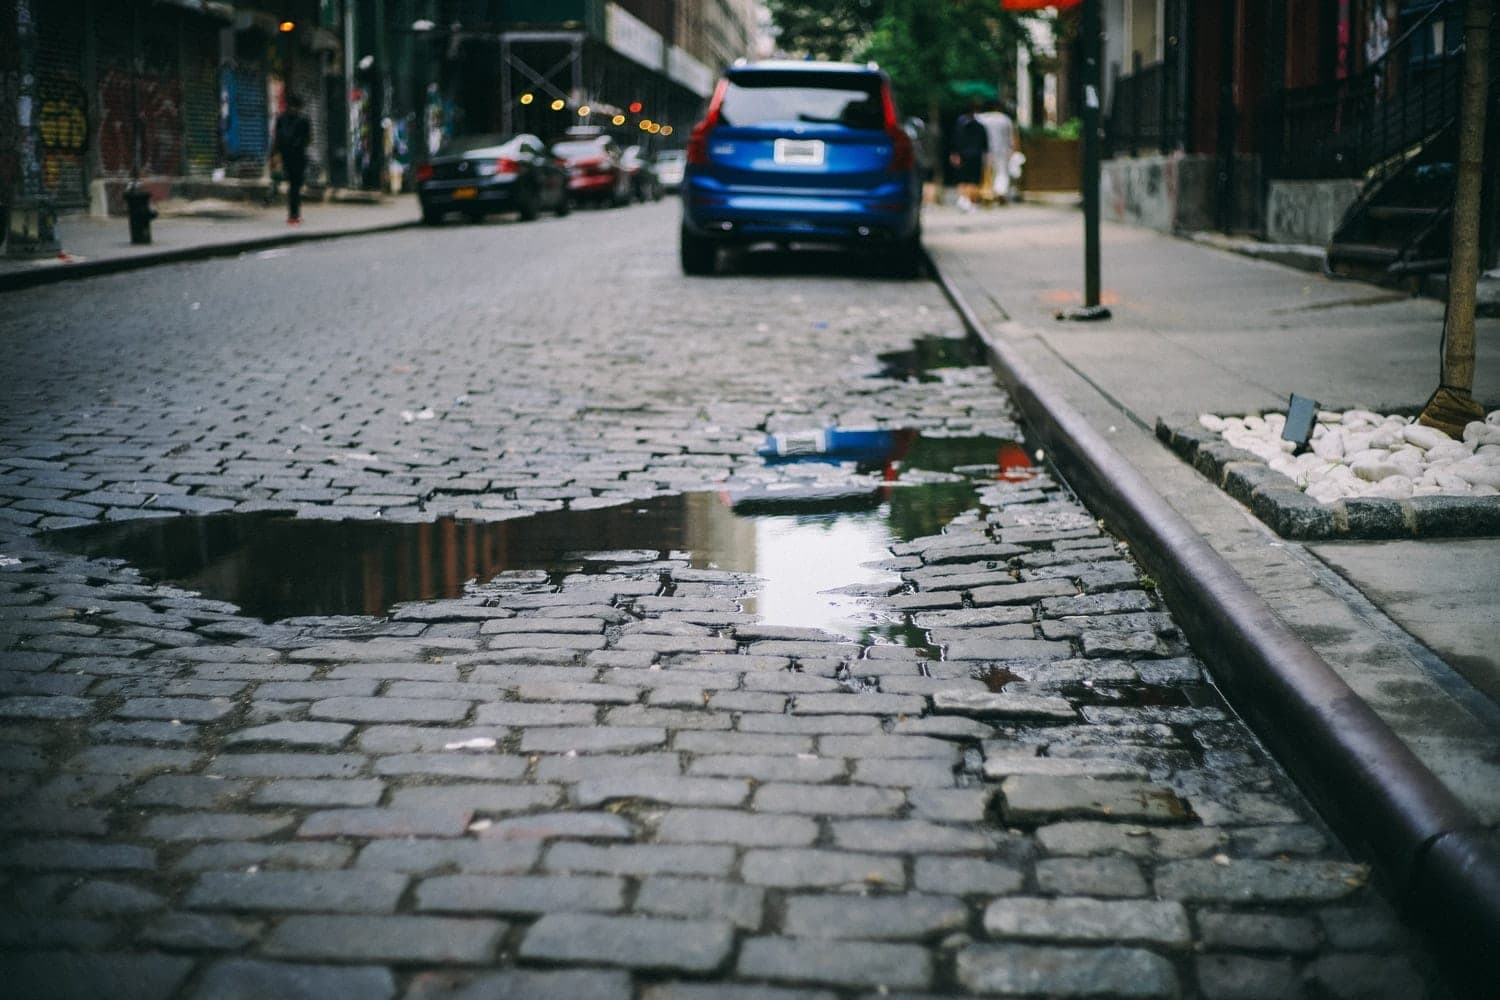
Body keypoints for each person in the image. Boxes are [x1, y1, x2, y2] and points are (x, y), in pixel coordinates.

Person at [272, 93, 312, 225]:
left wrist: (275, 155)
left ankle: (293, 214)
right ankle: (294, 215)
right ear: (300, 106)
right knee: (295, 186)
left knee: (292, 185)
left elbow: (276, 138)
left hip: (285, 156)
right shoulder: (303, 120)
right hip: (298, 156)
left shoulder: (280, 118)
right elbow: (308, 139)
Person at [948, 103, 988, 212]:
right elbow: (985, 145)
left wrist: (954, 154)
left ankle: (963, 198)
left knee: (962, 179)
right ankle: (971, 202)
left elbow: (954, 142)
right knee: (974, 180)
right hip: (976, 155)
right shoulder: (980, 126)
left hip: (962, 156)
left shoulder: (959, 126)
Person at [975, 102, 1016, 205]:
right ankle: (1000, 192)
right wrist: (1013, 150)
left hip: (985, 150)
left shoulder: (980, 118)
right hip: (1003, 150)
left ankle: (986, 193)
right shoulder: (1005, 119)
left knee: (986, 173)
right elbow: (1011, 137)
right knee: (1002, 173)